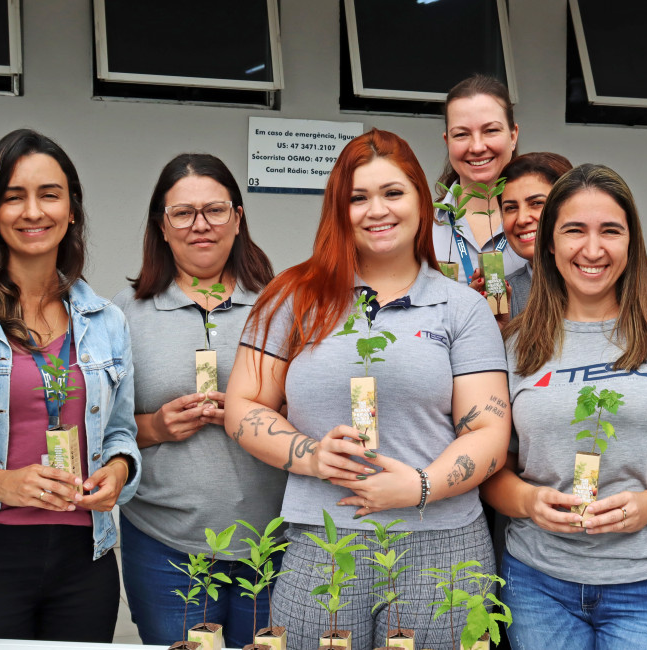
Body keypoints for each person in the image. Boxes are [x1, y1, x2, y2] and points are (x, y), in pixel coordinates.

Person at [226, 129, 510, 650]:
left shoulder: (461, 308)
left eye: (393, 193)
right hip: (321, 541)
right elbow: (243, 405)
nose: (376, 210)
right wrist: (310, 455)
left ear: (422, 201)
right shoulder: (294, 296)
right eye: (358, 197)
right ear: (339, 209)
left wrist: (420, 486)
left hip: (442, 545)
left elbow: (489, 428)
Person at [482, 163, 647, 649]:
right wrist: (529, 503)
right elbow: (495, 468)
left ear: (632, 241)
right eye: (574, 231)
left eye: (610, 231)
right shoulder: (516, 345)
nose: (592, 249)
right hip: (539, 583)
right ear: (550, 243)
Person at [0, 129, 141, 650]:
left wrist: (118, 471)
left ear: (72, 210)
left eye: (49, 194)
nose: (33, 211)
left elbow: (121, 434)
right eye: (13, 196)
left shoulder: (108, 322)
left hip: (84, 557)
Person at [113, 153, 286, 648]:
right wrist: (158, 426)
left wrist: (261, 415)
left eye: (215, 210)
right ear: (161, 228)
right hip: (166, 543)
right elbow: (106, 430)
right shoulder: (123, 315)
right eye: (182, 213)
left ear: (237, 219)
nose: (200, 225)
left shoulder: (282, 305)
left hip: (271, 541)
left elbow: (312, 411)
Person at [432, 74, 526, 285]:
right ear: (447, 141)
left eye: (490, 130)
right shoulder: (420, 227)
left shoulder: (543, 222)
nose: (477, 147)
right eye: (461, 134)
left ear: (513, 136)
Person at [497, 152, 573, 320]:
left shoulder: (608, 285)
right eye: (510, 208)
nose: (522, 219)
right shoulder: (502, 296)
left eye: (537, 203)